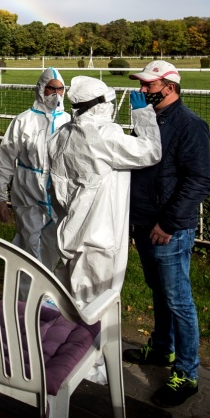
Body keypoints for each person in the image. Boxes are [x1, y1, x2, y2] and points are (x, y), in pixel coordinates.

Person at [124, 60, 210, 408]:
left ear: (170, 87)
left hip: (168, 229)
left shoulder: (190, 125)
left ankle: (187, 373)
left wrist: (169, 223)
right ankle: (162, 349)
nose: (143, 91)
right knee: (158, 291)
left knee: (178, 300)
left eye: (149, 85)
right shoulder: (148, 119)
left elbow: (199, 181)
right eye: (143, 85)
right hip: (144, 223)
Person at [47, 75, 161, 307]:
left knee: (70, 297)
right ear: (98, 105)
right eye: (109, 101)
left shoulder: (62, 135)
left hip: (71, 230)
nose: (111, 106)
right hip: (99, 238)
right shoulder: (104, 135)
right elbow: (150, 151)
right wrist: (143, 115)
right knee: (94, 308)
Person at [0, 67, 70, 271]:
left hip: (58, 194)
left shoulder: (69, 121)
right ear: (41, 89)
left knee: (54, 244)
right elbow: (5, 159)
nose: (56, 94)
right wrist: (0, 197)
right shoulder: (23, 120)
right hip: (27, 191)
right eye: (51, 89)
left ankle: (46, 288)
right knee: (29, 242)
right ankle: (26, 294)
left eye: (60, 89)